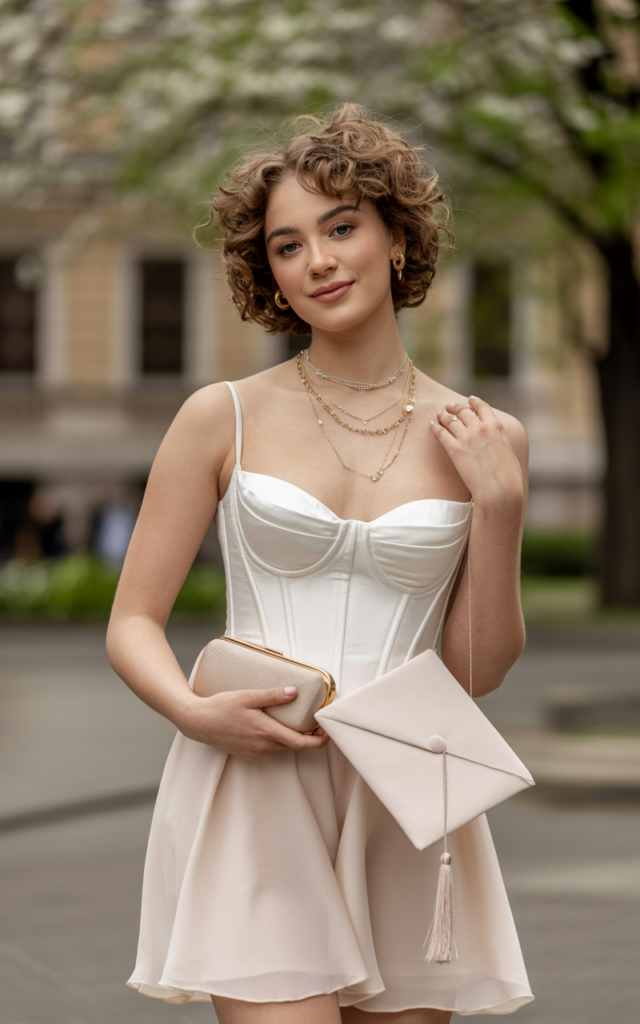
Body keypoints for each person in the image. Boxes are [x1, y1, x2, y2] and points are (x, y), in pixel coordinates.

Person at [107, 104, 534, 1023]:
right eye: (288, 245)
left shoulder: (485, 436)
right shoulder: (220, 415)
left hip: (410, 792)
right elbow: (132, 620)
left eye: (341, 228)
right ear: (269, 273)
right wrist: (191, 711)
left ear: (397, 239)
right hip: (255, 781)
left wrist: (499, 507)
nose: (319, 261)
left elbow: (478, 671)